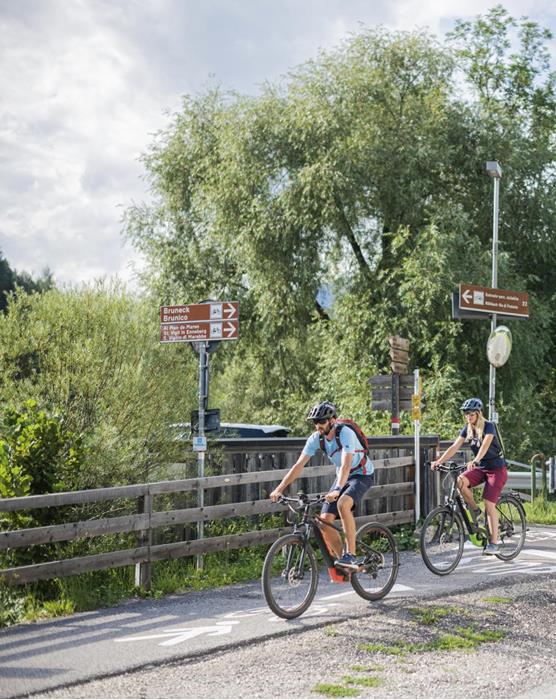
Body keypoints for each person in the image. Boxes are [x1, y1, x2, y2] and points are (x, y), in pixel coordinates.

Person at [269, 401, 374, 570]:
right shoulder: (315, 439)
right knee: (324, 522)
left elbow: (347, 465)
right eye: (315, 422)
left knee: (343, 504)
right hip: (342, 477)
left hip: (361, 474)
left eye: (322, 421)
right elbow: (298, 466)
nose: (318, 425)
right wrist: (279, 489)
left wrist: (338, 490)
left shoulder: (345, 433)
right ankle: (343, 563)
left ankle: (351, 555)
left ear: (332, 421)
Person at [431, 397, 508, 555]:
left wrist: (476, 459)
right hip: (481, 468)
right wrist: (439, 461)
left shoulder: (489, 426)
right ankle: (475, 510)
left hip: (496, 469)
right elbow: (454, 446)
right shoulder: (467, 429)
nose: (468, 416)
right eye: (466, 414)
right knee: (460, 481)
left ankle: (494, 543)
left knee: (488, 503)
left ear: (479, 413)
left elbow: (486, 444)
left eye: (471, 414)